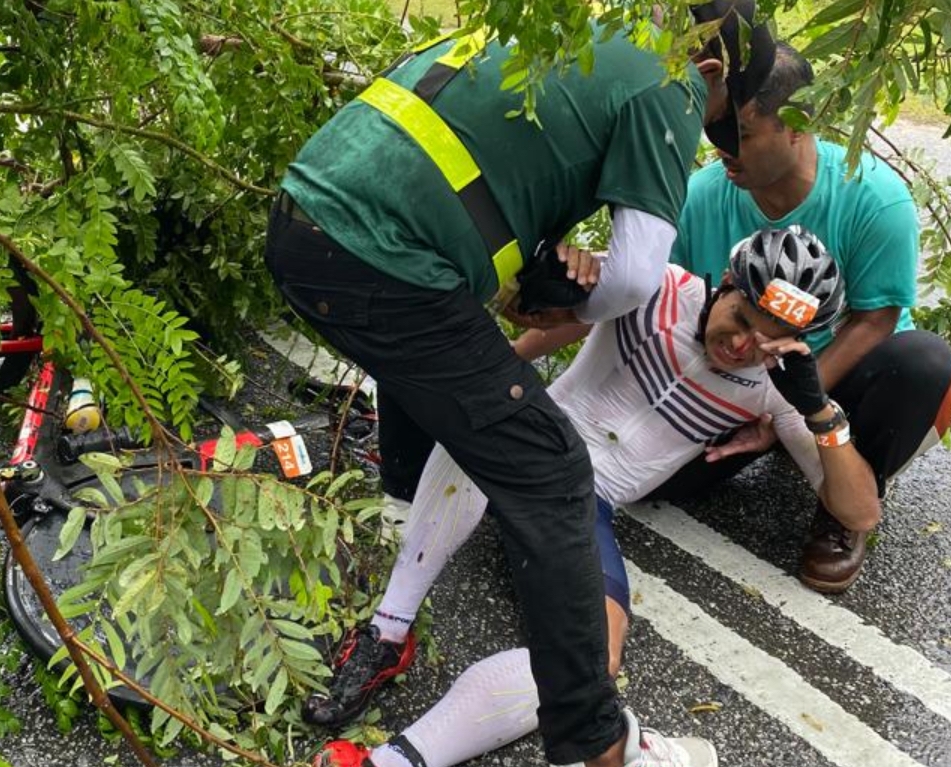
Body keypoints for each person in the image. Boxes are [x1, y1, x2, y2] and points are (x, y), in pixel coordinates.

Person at [264, 2, 777, 765]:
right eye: (716, 119)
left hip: (308, 218)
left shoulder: (565, 29)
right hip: (386, 259)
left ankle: (390, 617)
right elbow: (636, 273)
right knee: (549, 466)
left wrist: (535, 262)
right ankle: (593, 744)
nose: (706, 137)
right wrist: (557, 296)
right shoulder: (668, 80)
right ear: (710, 73)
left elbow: (489, 163)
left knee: (471, 400)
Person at [311, 226, 878, 767]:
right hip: (532, 444)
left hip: (587, 505)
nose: (740, 346)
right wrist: (564, 267)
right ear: (727, 283)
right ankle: (388, 631)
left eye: (765, 343)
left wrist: (817, 412)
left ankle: (390, 758)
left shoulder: (778, 390)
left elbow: (859, 511)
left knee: (594, 669)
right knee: (479, 418)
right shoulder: (658, 288)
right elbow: (525, 310)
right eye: (740, 319)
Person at [669, 41, 951, 594]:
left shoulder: (876, 200)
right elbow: (669, 301)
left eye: (743, 136)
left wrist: (793, 408)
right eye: (719, 132)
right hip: (735, 373)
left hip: (827, 376)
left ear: (797, 124)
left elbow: (875, 319)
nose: (725, 149)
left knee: (924, 360)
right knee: (659, 485)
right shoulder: (702, 195)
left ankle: (842, 511)